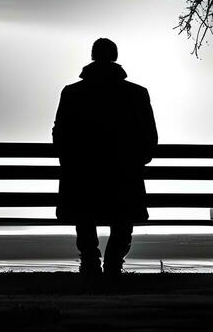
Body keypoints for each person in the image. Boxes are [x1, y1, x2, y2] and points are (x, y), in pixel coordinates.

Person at [52, 38, 158, 276]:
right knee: (125, 206)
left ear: (92, 57)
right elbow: (150, 141)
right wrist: (132, 160)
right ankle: (113, 259)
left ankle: (90, 258)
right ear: (116, 57)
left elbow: (59, 137)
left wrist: (74, 160)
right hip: (124, 183)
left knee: (82, 201)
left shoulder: (72, 93)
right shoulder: (138, 94)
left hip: (81, 183)